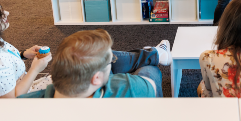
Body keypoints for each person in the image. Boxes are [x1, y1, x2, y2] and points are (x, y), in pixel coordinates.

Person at [19, 29, 172, 98]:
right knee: (150, 69)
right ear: (96, 78)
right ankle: (155, 55)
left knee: (94, 56)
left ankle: (155, 54)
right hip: (140, 85)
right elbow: (150, 86)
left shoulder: (23, 104)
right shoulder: (127, 87)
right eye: (109, 62)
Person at [0, 0, 52, 98]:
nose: (7, 13)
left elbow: (6, 62)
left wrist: (22, 55)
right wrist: (35, 69)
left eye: (2, 8)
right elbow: (13, 101)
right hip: (24, 99)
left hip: (23, 84)